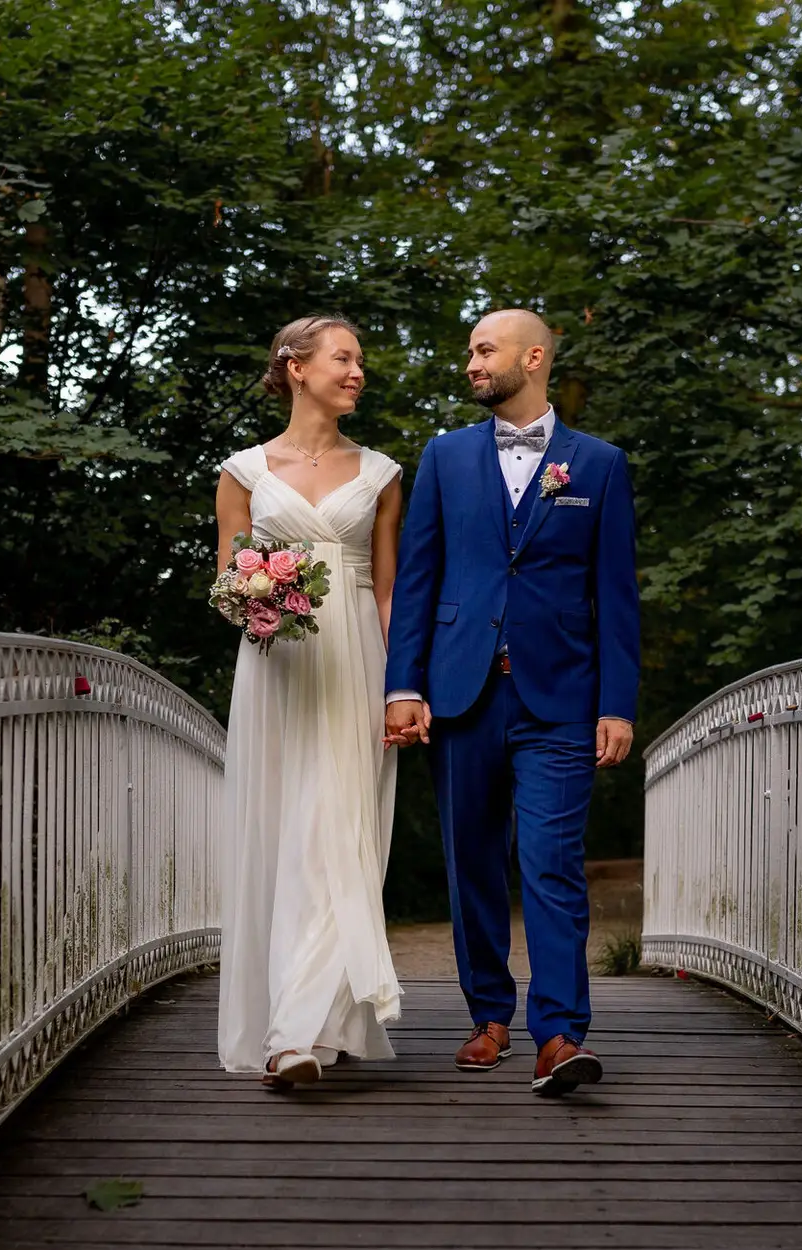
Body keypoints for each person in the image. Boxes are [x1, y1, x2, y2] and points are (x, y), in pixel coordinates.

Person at [383, 308, 641, 1097]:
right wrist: (403, 683)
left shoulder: (597, 466)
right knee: (473, 867)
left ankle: (559, 1035)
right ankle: (489, 1014)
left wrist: (618, 704)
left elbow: (616, 595)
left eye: (484, 350)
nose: (471, 363)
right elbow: (418, 578)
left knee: (554, 865)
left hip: (560, 696)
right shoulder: (445, 457)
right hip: (460, 691)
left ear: (532, 358)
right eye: (468, 350)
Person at [214, 314, 405, 1089]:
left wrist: (402, 686)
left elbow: (390, 591)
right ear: (294, 366)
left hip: (356, 660)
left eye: (360, 359)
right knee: (285, 836)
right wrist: (254, 595)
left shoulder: (385, 474)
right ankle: (293, 1032)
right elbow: (226, 581)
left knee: (341, 839)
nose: (357, 371)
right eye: (343, 358)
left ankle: (299, 1033)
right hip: (277, 665)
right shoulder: (243, 472)